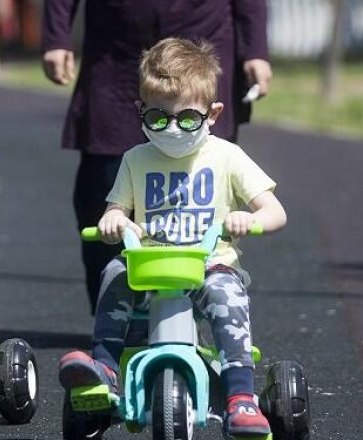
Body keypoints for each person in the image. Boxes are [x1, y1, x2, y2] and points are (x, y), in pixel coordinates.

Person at [56, 38, 286, 437]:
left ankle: (240, 397)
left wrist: (249, 219)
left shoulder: (225, 156)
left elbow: (275, 211)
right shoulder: (135, 159)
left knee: (225, 297)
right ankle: (105, 370)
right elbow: (115, 211)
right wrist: (114, 221)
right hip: (150, 266)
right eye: (160, 119)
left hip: (209, 264)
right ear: (140, 112)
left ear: (212, 113)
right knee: (113, 271)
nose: (174, 129)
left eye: (187, 119)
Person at [42, 0, 273, 314]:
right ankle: (118, 328)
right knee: (102, 187)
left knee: (204, 176)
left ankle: (200, 315)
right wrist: (57, 36)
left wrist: (255, 47)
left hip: (204, 38)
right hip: (118, 51)